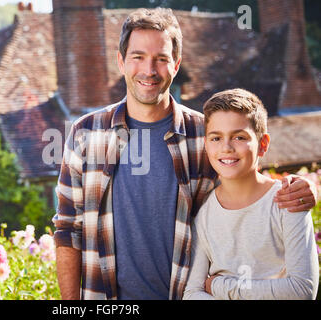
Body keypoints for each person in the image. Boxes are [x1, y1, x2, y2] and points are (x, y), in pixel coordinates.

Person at [52, 7, 318, 300]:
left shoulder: (205, 134)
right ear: (121, 62)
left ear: (176, 65)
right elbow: (68, 229)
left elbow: (243, 186)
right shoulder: (85, 133)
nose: (149, 70)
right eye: (138, 57)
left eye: (161, 59)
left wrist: (300, 187)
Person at [183, 88, 319, 300]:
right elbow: (192, 293)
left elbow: (302, 290)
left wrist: (220, 286)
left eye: (239, 137)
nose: (226, 147)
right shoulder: (204, 213)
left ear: (262, 144)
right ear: (206, 145)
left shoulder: (288, 201)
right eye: (216, 138)